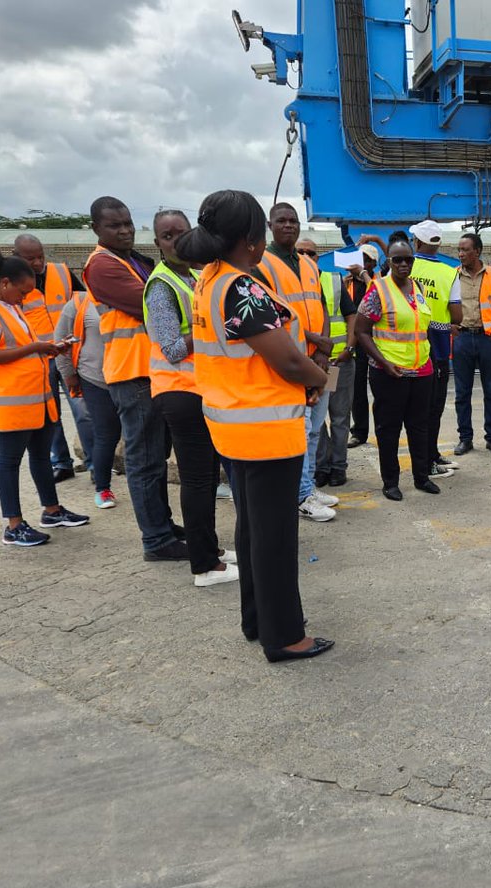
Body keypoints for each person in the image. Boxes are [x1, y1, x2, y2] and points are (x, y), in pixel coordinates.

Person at [178, 189, 333, 663]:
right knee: (274, 539)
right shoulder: (240, 288)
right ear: (251, 240)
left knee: (252, 533)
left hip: (233, 426)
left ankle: (257, 619)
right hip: (265, 432)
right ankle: (285, 635)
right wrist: (319, 377)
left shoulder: (210, 280)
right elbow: (286, 360)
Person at [0, 240, 90, 547]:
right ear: (4, 282)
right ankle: (14, 525)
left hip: (38, 401)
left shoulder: (9, 307)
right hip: (11, 403)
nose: (24, 299)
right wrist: (37, 347)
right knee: (8, 461)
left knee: (40, 457)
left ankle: (52, 509)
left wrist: (50, 349)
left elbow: (20, 349)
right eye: (21, 292)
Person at [82, 196, 187, 561]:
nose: (125, 230)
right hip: (132, 373)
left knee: (157, 458)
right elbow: (155, 303)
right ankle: (156, 540)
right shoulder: (102, 266)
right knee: (144, 461)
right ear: (96, 229)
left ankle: (164, 525)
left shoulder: (134, 261)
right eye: (115, 225)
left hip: (153, 371)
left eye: (128, 223)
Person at [143, 209, 238, 588]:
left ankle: (210, 549)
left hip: (203, 390)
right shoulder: (162, 285)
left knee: (207, 477)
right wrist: (218, 328)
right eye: (168, 236)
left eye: (181, 234)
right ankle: (204, 566)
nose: (176, 241)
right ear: (158, 244)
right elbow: (170, 347)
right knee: (197, 481)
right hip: (179, 393)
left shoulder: (196, 276)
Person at [252, 204, 339, 523]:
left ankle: (308, 485)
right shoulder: (262, 265)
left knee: (316, 426)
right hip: (294, 360)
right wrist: (315, 346)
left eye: (293, 221)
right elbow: (269, 318)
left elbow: (323, 308)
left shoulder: (308, 264)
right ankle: (300, 494)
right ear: (269, 225)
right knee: (300, 428)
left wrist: (323, 350)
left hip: (321, 360)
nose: (288, 226)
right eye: (282, 221)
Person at [353, 239, 443, 501]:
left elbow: (421, 326)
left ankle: (421, 477)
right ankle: (390, 481)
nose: (404, 264)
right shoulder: (377, 290)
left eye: (408, 259)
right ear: (388, 262)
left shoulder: (418, 288)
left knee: (419, 427)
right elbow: (361, 331)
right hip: (389, 372)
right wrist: (383, 361)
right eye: (398, 259)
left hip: (421, 371)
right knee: (389, 429)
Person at [14, 235, 91, 482]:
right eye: (30, 258)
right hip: (40, 358)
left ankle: (95, 464)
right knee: (51, 415)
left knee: (83, 411)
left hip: (69, 354)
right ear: (17, 257)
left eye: (40, 256)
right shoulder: (13, 284)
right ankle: (62, 463)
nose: (37, 262)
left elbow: (84, 301)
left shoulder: (62, 272)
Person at [54, 286, 122, 510]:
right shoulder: (79, 303)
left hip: (128, 375)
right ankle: (103, 488)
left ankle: (142, 482)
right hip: (94, 378)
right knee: (106, 433)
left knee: (137, 434)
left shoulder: (126, 294)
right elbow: (61, 340)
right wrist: (68, 374)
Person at [407, 220, 463, 479]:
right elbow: (457, 314)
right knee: (433, 408)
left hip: (407, 347)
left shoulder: (404, 266)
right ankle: (427, 459)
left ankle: (428, 455)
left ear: (417, 242)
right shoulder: (451, 271)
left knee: (414, 411)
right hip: (438, 349)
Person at [452, 233, 491, 456]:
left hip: (488, 339)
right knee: (461, 392)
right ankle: (465, 438)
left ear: (478, 251)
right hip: (462, 338)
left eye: (465, 250)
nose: (461, 254)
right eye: (459, 250)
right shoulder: (452, 276)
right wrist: (451, 325)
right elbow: (446, 305)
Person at [314, 248, 360, 488]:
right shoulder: (291, 283)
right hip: (310, 366)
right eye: (301, 252)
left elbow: (352, 316)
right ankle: (322, 467)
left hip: (335, 363)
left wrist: (349, 349)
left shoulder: (332, 281)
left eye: (311, 252)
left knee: (339, 417)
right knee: (316, 420)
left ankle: (338, 468)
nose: (306, 255)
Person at [348, 242, 381, 447]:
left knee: (380, 389)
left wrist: (363, 275)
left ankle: (382, 428)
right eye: (359, 259)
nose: (361, 263)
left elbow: (377, 294)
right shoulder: (346, 283)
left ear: (373, 263)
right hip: (354, 343)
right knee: (356, 389)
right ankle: (359, 432)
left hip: (376, 342)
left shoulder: (379, 282)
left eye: (365, 260)